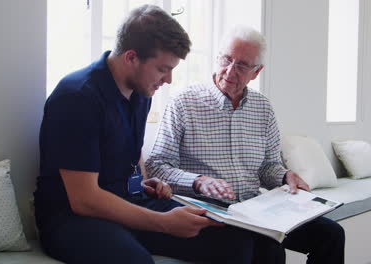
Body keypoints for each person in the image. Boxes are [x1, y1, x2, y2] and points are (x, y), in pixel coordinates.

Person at [33, 5, 256, 264]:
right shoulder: (78, 97)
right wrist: (163, 222)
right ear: (131, 58)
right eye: (163, 69)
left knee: (238, 238)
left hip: (128, 200)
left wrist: (144, 182)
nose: (169, 80)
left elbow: (129, 151)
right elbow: (85, 200)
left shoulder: (141, 92)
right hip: (73, 218)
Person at [146, 25, 345, 263]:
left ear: (256, 71)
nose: (230, 71)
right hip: (210, 210)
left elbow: (268, 166)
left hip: (256, 208)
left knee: (331, 234)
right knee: (269, 250)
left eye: (241, 65)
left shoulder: (262, 108)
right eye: (226, 59)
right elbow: (157, 165)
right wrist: (199, 181)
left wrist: (284, 176)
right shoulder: (183, 102)